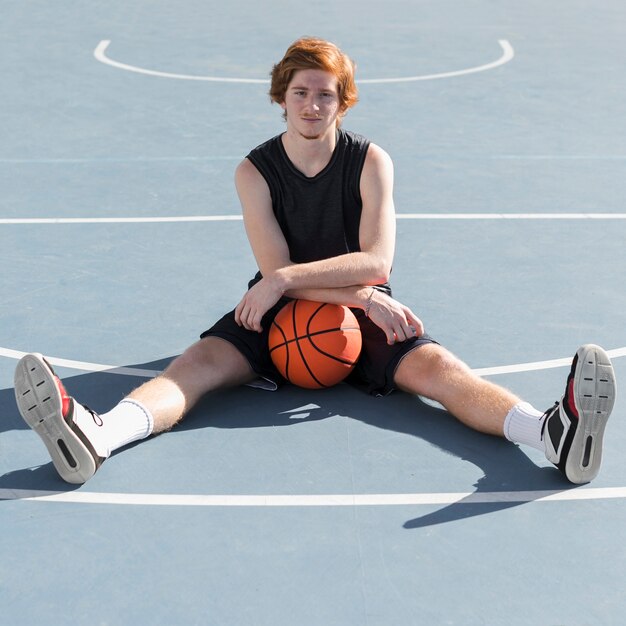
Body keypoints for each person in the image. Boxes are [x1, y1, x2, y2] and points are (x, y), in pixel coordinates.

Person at [14, 37, 616, 486]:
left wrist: (298, 281)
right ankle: (99, 434)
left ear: (342, 103)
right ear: (282, 98)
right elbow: (296, 277)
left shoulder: (370, 162)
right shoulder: (255, 171)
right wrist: (349, 295)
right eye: (300, 92)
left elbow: (376, 261)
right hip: (296, 311)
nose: (311, 105)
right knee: (192, 366)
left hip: (337, 305)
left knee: (443, 373)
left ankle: (550, 433)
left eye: (324, 95)